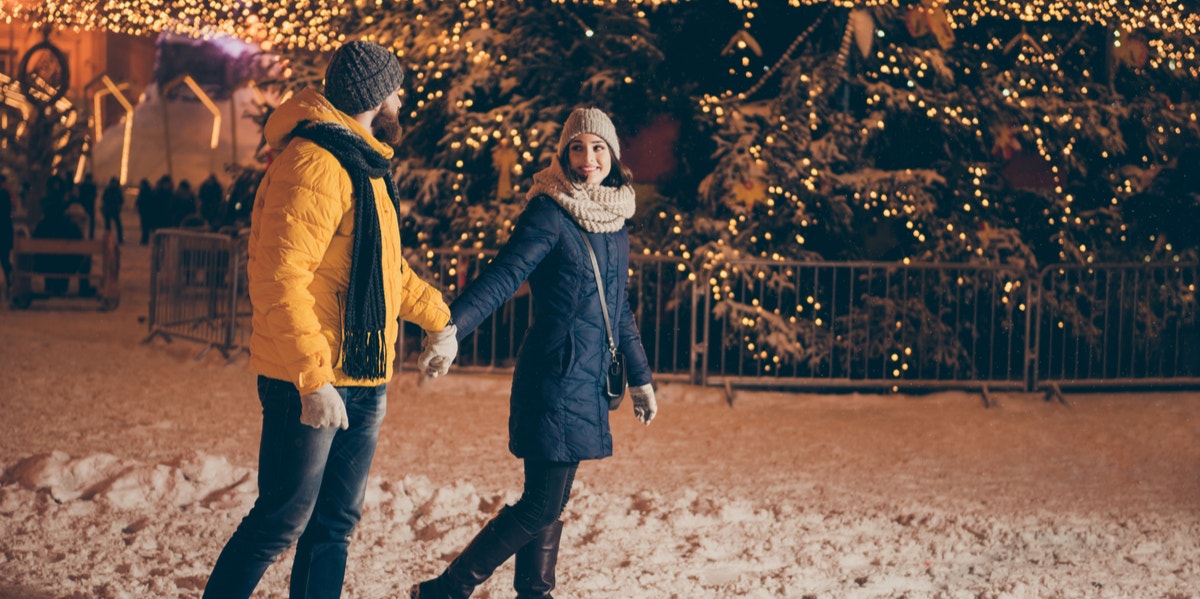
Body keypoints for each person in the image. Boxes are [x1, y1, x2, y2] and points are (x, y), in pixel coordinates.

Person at [203, 40, 457, 599]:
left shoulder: (364, 161)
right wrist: (312, 379)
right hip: (312, 377)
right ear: (372, 96)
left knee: (333, 526)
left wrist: (439, 319)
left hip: (362, 375)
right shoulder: (314, 161)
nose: (401, 96)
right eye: (395, 86)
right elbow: (280, 279)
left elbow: (385, 272)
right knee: (281, 522)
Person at [411, 107, 659, 599]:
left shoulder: (615, 219)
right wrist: (451, 329)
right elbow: (503, 276)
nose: (587, 159)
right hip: (555, 376)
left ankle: (533, 593)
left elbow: (620, 309)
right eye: (577, 148)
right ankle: (446, 590)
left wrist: (642, 377)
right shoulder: (549, 211)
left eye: (597, 148)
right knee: (543, 503)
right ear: (563, 154)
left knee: (548, 501)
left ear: (612, 156)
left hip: (587, 379)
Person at [100, 177, 125, 244]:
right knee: (109, 226)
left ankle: (119, 239)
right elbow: (104, 199)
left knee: (116, 225)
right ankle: (109, 239)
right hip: (110, 210)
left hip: (113, 210)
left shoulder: (115, 190)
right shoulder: (112, 190)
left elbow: (121, 200)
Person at [75, 172, 98, 239]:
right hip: (86, 205)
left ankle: (89, 235)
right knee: (84, 222)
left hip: (87, 205)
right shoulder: (90, 186)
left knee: (86, 222)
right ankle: (88, 235)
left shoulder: (84, 186)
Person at [0, 175, 13, 289]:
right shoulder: (5, 194)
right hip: (5, 232)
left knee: (4, 259)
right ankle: (10, 281)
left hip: (3, 233)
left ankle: (10, 281)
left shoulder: (4, 195)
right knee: (5, 259)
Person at [135, 178, 154, 245]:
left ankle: (144, 240)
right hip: (144, 212)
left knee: (145, 227)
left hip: (146, 212)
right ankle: (144, 240)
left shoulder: (145, 192)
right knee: (145, 227)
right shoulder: (146, 192)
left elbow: (140, 201)